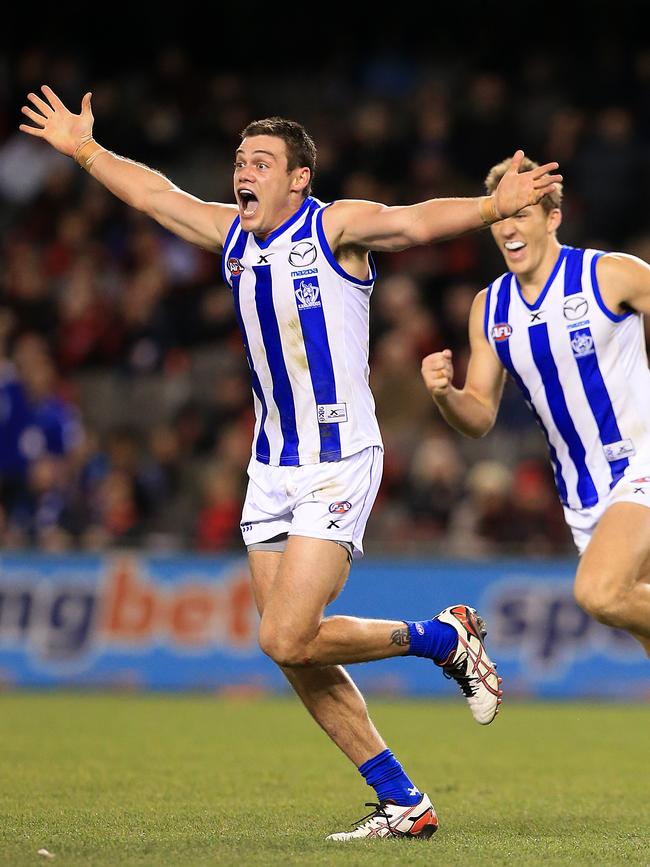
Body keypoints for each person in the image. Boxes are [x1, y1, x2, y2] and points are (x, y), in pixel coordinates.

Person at [19, 86, 561, 840]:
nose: (244, 171)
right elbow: (153, 194)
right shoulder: (234, 237)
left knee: (281, 634)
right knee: (295, 652)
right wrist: (84, 149)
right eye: (240, 160)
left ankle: (444, 637)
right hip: (270, 465)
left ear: (298, 177)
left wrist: (488, 207)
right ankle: (405, 801)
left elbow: (409, 223)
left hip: (340, 457)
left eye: (262, 161)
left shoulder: (334, 226)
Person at [421, 154, 650, 662]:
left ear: (553, 218)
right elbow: (479, 416)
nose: (509, 228)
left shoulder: (610, 275)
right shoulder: (490, 307)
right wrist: (446, 395)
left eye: (523, 212)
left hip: (641, 462)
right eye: (501, 216)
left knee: (600, 593)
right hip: (583, 493)